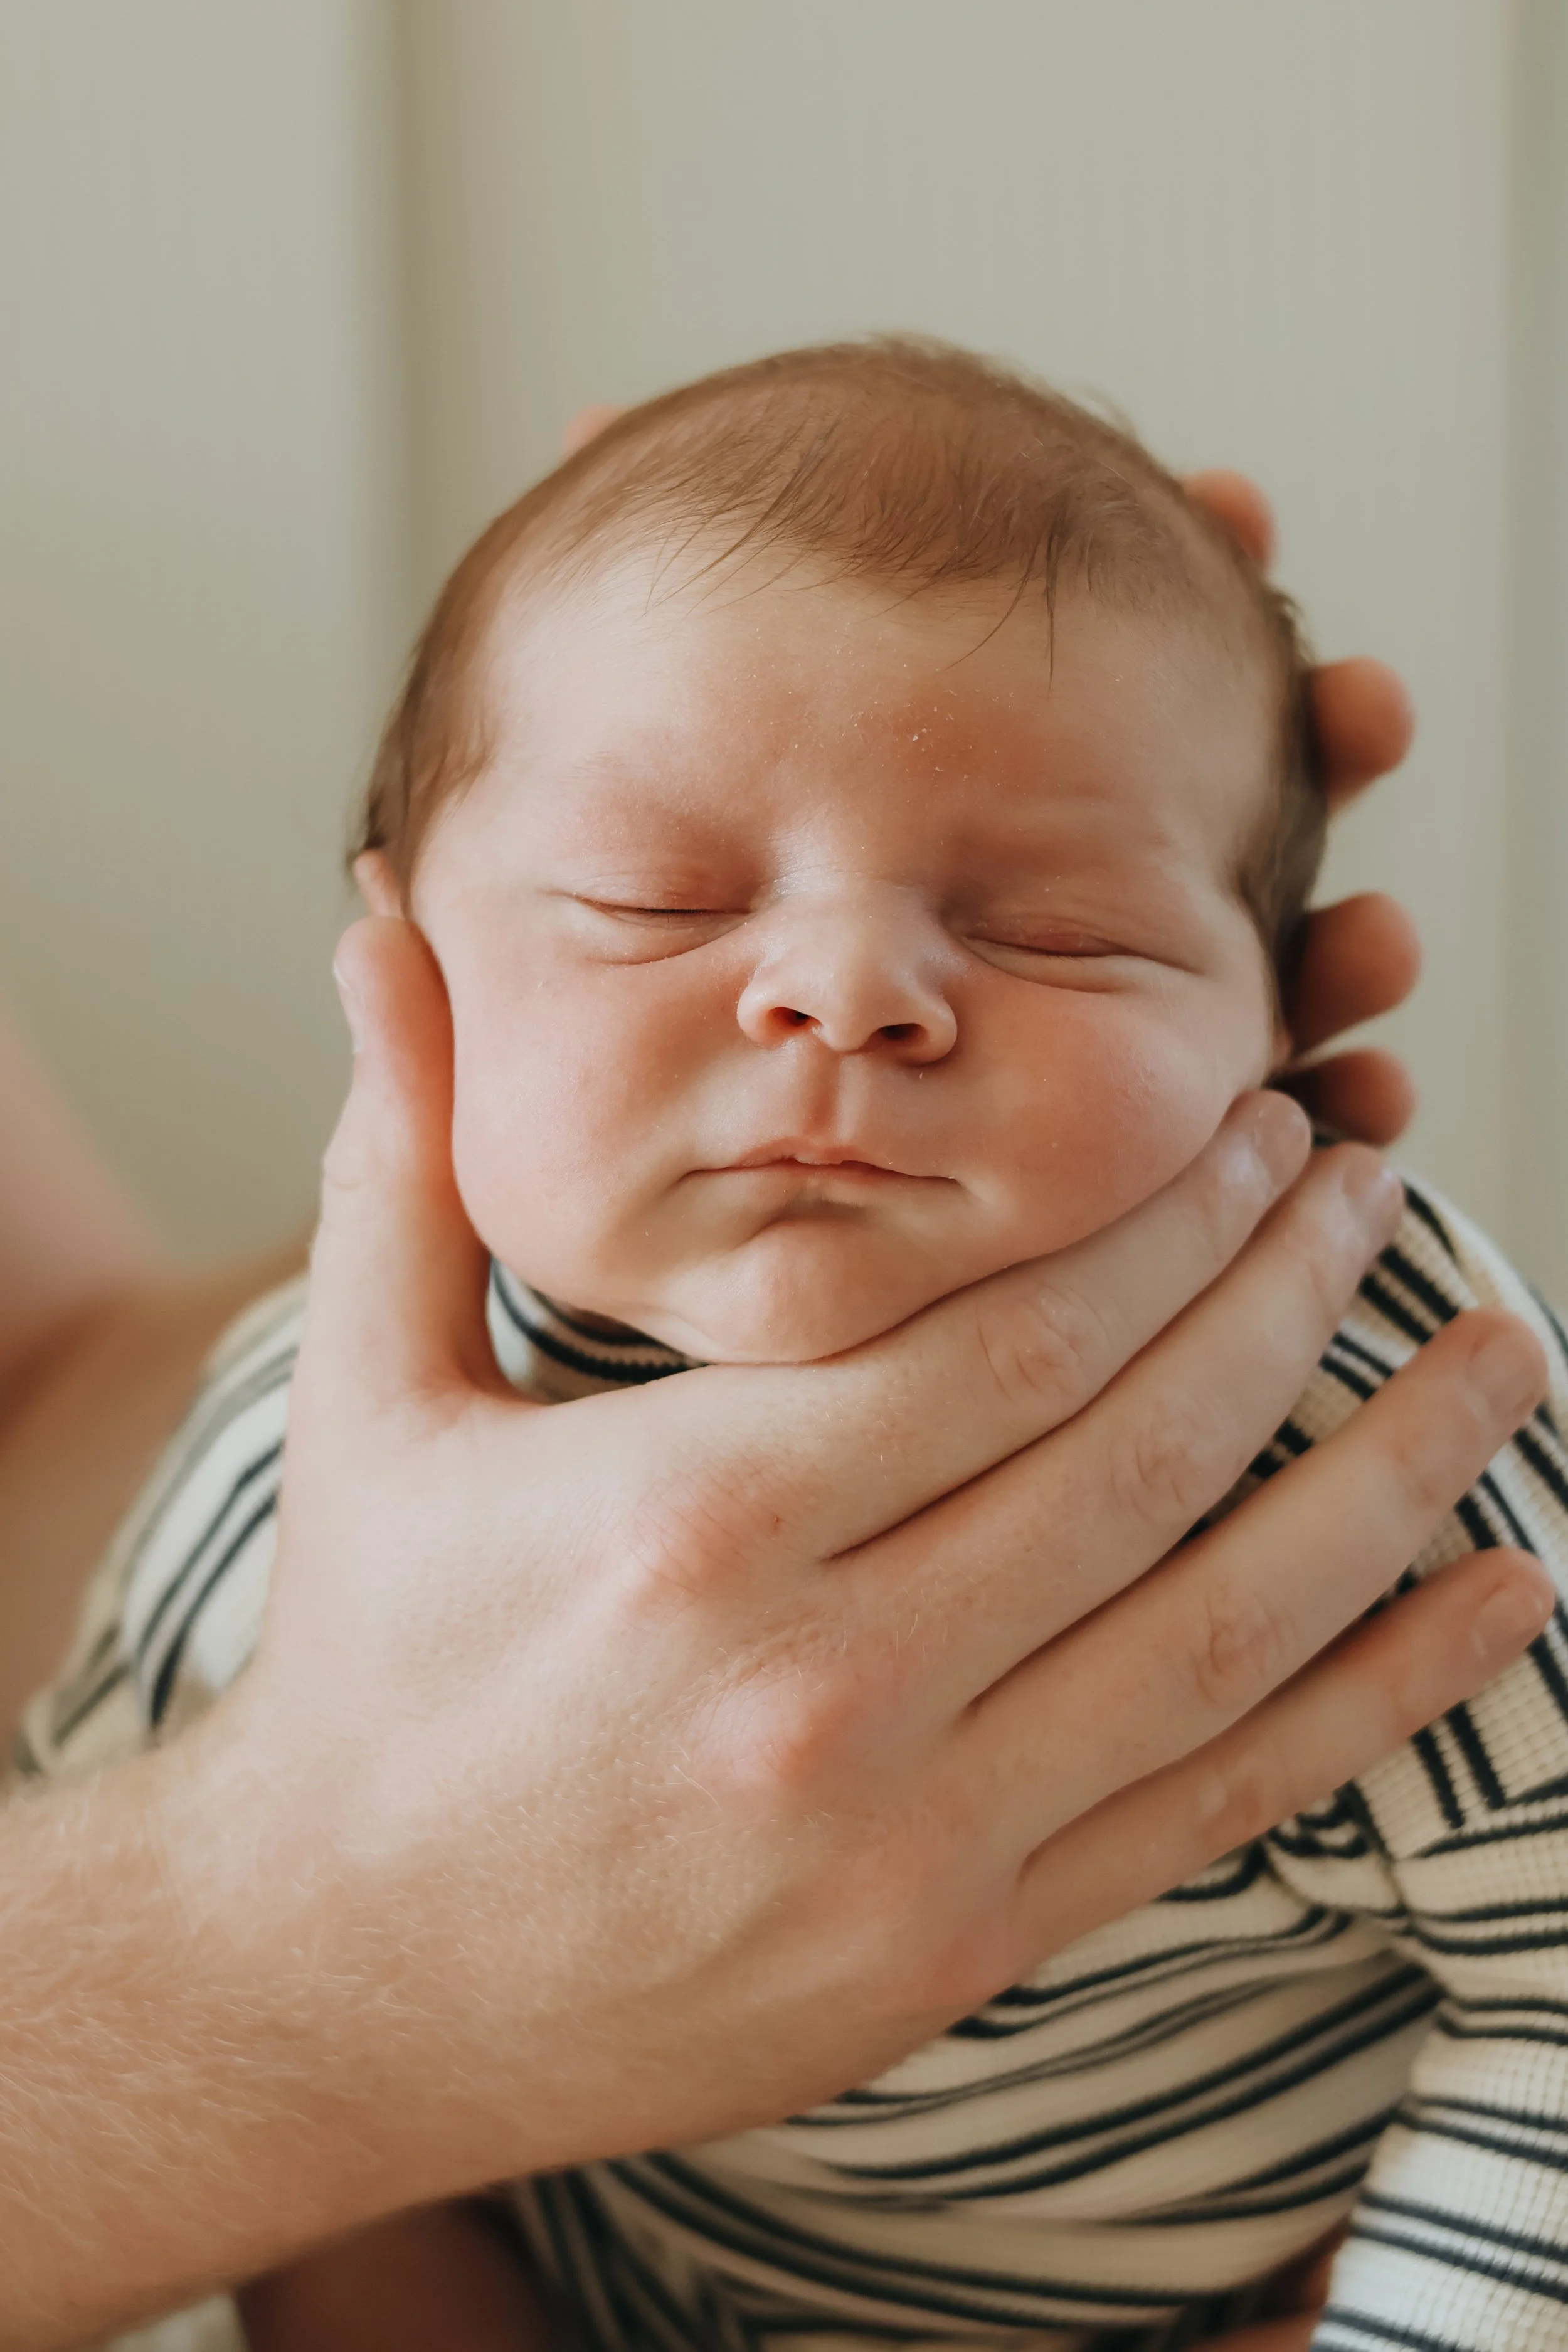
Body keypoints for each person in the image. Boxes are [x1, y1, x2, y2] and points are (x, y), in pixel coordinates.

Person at [0, 409, 1551, 2352]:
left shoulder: (1373, 1429)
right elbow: (151, 1918)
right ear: (398, 961)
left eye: (1058, 930)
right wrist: (314, 1988)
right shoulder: (286, 1475)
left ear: (1275, 1021)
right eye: (656, 898)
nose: (843, 988)